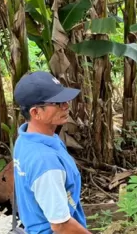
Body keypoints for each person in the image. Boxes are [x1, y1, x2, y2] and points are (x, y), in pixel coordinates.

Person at [13, 71, 90, 234]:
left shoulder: (26, 139)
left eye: (65, 100)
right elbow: (60, 225)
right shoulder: (45, 161)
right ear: (36, 113)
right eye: (57, 102)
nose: (66, 106)